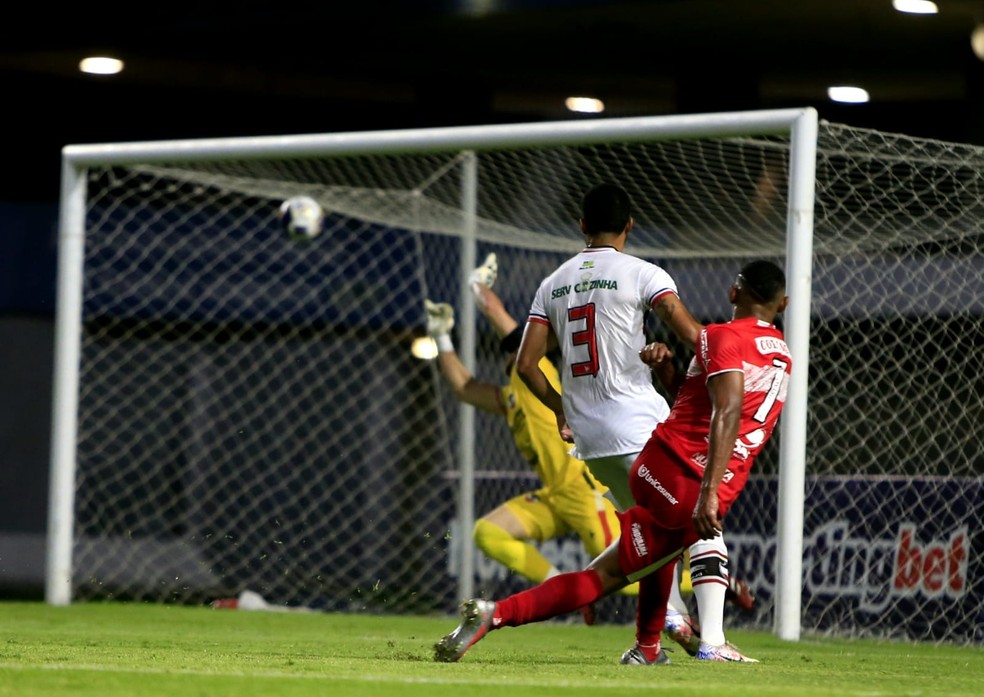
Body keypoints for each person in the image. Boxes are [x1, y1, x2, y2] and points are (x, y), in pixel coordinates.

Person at [433, 259, 790, 665]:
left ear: (733, 292)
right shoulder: (778, 354)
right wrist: (709, 490)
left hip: (631, 456)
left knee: (613, 572)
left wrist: (668, 368)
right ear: (784, 304)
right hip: (674, 466)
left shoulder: (718, 337)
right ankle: (709, 640)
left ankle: (500, 615)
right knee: (703, 534)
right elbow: (726, 409)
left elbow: (699, 398)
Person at [509, 182, 751, 658]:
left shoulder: (552, 283)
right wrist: (745, 352)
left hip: (593, 442)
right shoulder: (643, 273)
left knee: (656, 537)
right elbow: (695, 336)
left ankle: (669, 624)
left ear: (581, 226)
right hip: (639, 428)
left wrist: (561, 409)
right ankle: (714, 643)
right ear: (630, 226)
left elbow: (525, 365)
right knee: (703, 514)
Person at [425, 253, 637, 623]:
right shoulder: (511, 398)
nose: (515, 353)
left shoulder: (536, 376)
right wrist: (441, 336)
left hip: (585, 490)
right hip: (556, 495)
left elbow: (508, 332)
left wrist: (479, 289)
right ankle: (560, 589)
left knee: (629, 572)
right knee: (488, 533)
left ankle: (711, 582)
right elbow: (463, 388)